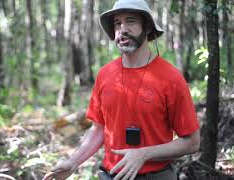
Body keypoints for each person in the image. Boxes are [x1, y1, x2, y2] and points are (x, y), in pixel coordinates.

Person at [43, 0, 200, 179]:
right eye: (118, 23)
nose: (122, 29)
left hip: (155, 176)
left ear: (147, 27)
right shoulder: (105, 74)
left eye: (131, 21)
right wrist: (73, 162)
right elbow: (98, 129)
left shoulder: (171, 78)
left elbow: (192, 142)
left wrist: (144, 154)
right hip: (110, 175)